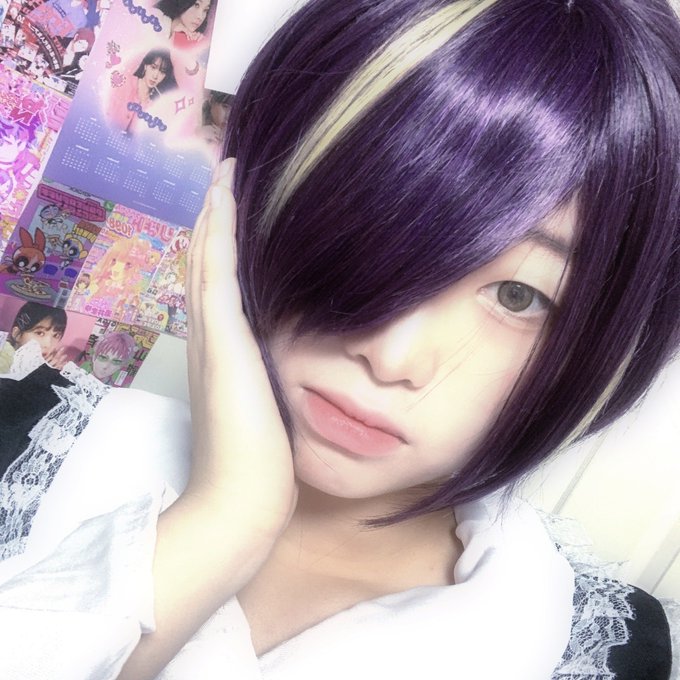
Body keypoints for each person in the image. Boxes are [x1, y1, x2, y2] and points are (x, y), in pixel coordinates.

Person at [0, 1, 679, 679]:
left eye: (518, 296)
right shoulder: (28, 435)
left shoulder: (604, 650)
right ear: (251, 196)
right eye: (372, 224)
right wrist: (226, 518)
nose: (391, 356)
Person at [108, 49, 178, 133]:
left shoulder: (155, 105)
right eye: (153, 67)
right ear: (145, 66)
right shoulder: (124, 83)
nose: (155, 76)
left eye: (162, 72)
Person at [0, 301, 69, 373]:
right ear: (17, 334)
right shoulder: (3, 357)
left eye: (56, 335)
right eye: (40, 333)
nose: (48, 344)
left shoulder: (38, 363)